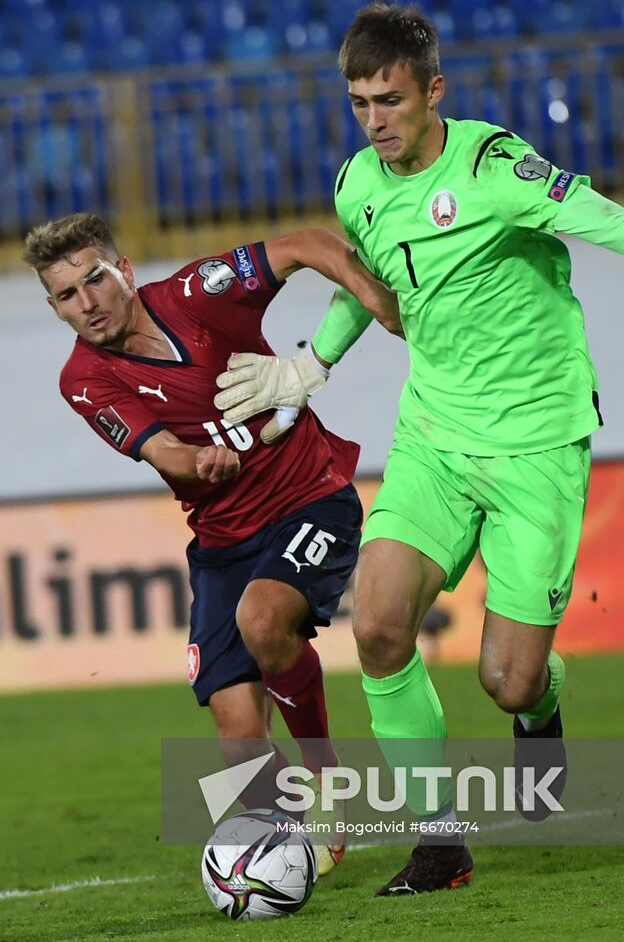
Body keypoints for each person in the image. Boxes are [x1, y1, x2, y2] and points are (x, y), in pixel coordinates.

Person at [212, 2, 624, 895]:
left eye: (391, 101)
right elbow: (370, 282)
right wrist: (308, 365)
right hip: (435, 439)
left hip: (536, 445)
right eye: (360, 103)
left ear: (433, 90)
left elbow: (602, 216)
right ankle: (439, 844)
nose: (376, 122)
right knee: (374, 626)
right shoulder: (357, 184)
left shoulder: (495, 167)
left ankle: (543, 706)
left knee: (508, 681)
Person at [23, 212, 401, 875]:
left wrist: (373, 298)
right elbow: (162, 450)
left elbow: (305, 244)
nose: (86, 305)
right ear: (54, 308)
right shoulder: (82, 379)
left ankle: (329, 789)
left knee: (262, 620)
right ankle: (278, 864)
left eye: (94, 281)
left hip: (310, 495)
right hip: (223, 540)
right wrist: (195, 460)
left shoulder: (201, 292)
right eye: (65, 296)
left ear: (125, 272)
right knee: (235, 744)